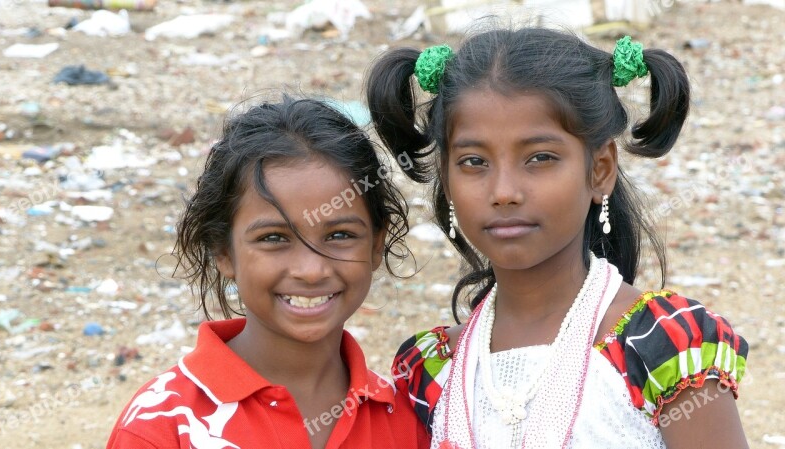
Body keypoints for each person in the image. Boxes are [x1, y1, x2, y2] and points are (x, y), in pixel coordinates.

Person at [366, 28, 749, 448]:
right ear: (446, 176)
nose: (504, 192)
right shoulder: (431, 370)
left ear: (600, 169)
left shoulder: (662, 346)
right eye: (474, 161)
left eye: (540, 158)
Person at [106, 95, 429, 448]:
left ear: (376, 245)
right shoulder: (162, 427)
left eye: (339, 235)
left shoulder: (405, 420)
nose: (310, 270)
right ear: (223, 251)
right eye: (274, 238)